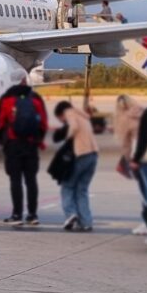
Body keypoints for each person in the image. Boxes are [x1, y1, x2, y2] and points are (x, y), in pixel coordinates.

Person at [0, 71, 47, 224]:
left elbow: (0, 123)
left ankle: (17, 214)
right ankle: (32, 215)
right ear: (25, 80)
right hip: (31, 145)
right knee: (31, 181)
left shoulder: (6, 99)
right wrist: (38, 139)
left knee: (15, 180)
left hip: (13, 144)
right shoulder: (35, 99)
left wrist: (3, 142)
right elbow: (43, 122)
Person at [52, 97, 99, 231]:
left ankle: (70, 214)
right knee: (82, 189)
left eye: (60, 119)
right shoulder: (83, 115)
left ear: (61, 113)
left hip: (81, 154)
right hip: (93, 154)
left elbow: (73, 127)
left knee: (67, 186)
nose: (62, 121)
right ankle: (86, 222)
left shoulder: (70, 113)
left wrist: (68, 137)